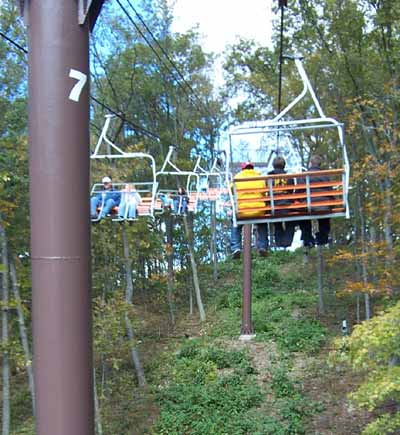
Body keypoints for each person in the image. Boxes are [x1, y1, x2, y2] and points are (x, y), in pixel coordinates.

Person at [230, 162, 269, 258]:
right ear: (252, 168)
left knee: (235, 223)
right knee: (262, 223)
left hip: (242, 211)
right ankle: (263, 246)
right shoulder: (260, 177)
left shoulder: (237, 178)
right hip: (258, 210)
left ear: (243, 169)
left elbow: (231, 190)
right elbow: (266, 192)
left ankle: (236, 247)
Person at [298, 155, 331, 246]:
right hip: (324, 205)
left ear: (310, 164)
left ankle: (307, 237)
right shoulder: (325, 176)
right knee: (324, 216)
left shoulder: (303, 176)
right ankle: (322, 237)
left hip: (308, 205)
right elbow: (330, 191)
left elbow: (298, 192)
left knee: (303, 215)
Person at [268, 156, 296, 248]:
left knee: (277, 223)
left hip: (274, 207)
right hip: (287, 207)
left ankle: (279, 242)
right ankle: (287, 241)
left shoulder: (268, 178)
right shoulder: (289, 177)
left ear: (273, 166)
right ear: (284, 166)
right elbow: (291, 190)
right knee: (290, 222)